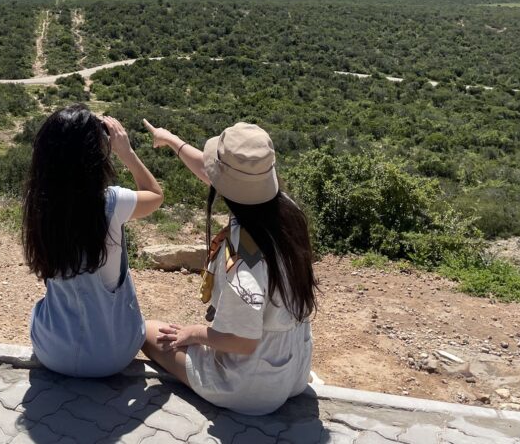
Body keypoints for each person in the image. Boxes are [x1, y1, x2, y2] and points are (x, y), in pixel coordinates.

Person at [141, 119, 317, 415]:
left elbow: (244, 342)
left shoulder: (244, 262)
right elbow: (212, 174)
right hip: (293, 370)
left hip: (252, 389)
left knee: (148, 332)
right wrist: (171, 140)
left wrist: (194, 333)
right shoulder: (286, 212)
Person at [24, 105, 163, 377]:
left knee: (41, 307)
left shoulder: (39, 204)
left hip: (52, 353)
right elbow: (154, 194)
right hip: (114, 356)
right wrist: (127, 153)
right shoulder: (112, 203)